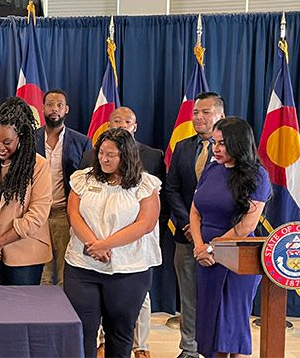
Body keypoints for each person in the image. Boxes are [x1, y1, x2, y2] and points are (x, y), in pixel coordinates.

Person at [64, 127, 162, 358]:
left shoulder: (145, 184)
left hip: (128, 271)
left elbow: (145, 224)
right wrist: (93, 244)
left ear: (126, 155)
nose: (104, 159)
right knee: (83, 330)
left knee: (119, 331)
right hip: (82, 267)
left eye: (111, 155)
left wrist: (106, 244)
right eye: (101, 153)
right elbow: (74, 214)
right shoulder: (83, 178)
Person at [189, 117, 270, 358]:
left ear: (238, 143)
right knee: (210, 326)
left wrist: (213, 249)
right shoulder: (211, 169)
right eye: (214, 143)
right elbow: (195, 211)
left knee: (231, 329)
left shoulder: (258, 176)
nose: (216, 149)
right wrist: (199, 246)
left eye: (222, 143)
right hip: (205, 258)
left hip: (236, 259)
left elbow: (246, 225)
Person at [163, 92, 226, 358]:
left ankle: (218, 347)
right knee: (188, 296)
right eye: (196, 112)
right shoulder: (183, 147)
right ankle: (189, 348)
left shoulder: (234, 149)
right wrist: (188, 224)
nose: (199, 117)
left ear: (220, 115)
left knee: (221, 298)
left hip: (223, 238)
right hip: (186, 236)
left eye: (206, 112)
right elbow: (172, 189)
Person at [0, 97, 52, 285]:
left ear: (21, 137)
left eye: (7, 142)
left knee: (21, 311)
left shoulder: (38, 165)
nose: (0, 148)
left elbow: (37, 214)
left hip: (25, 255)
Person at [35, 89, 90, 286]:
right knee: (41, 271)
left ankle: (64, 314)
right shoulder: (30, 139)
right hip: (36, 216)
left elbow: (85, 180)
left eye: (59, 105)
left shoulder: (81, 141)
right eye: (50, 104)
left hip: (64, 214)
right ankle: (41, 315)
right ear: (42, 108)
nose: (54, 109)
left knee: (64, 272)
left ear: (66, 109)